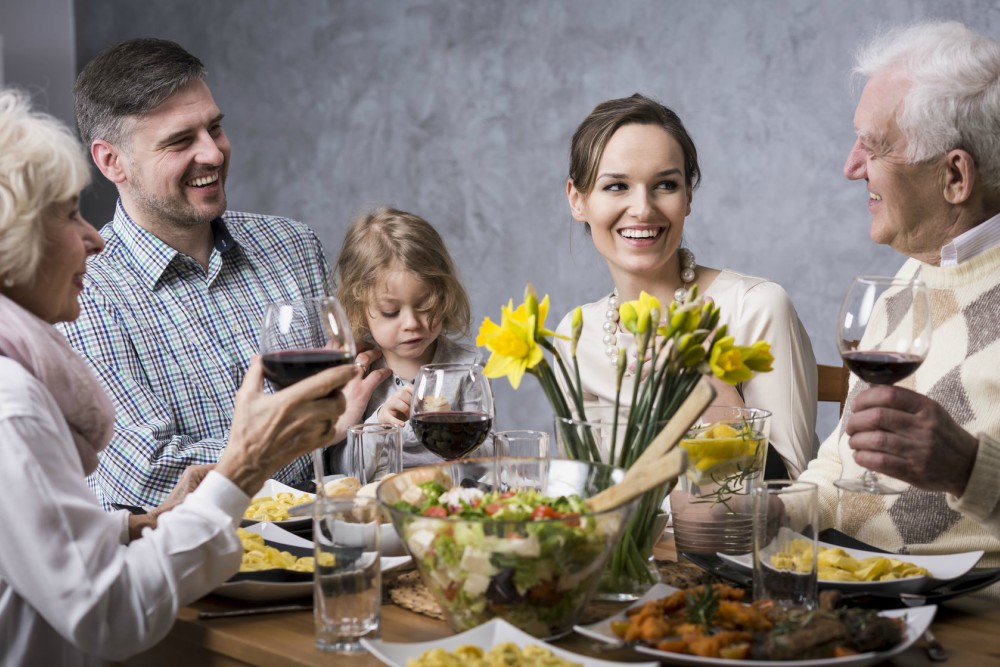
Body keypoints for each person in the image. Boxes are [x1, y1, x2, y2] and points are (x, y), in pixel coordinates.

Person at [0, 87, 355, 666]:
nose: (93, 238)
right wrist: (242, 466)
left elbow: (43, 539)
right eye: (68, 215)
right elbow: (106, 613)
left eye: (214, 128)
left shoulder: (21, 376)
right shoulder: (11, 404)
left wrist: (142, 526)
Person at [57, 38, 382, 509]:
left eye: (215, 128)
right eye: (180, 141)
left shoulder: (292, 245)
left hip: (317, 554)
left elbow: (345, 426)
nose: (212, 154)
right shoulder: (85, 292)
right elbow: (148, 476)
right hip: (191, 576)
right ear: (112, 162)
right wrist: (310, 434)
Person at [799, 21, 1000, 574]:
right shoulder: (907, 278)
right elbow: (838, 470)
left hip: (972, 626)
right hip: (860, 591)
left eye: (874, 144)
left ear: (955, 176)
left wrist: (968, 470)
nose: (850, 167)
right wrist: (763, 509)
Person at [556, 94, 819, 478]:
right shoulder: (577, 334)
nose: (643, 208)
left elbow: (791, 494)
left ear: (688, 197)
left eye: (665, 184)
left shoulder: (756, 308)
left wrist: (712, 392)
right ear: (578, 201)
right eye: (616, 187)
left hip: (738, 539)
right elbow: (577, 495)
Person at [330, 207, 489, 470]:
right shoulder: (359, 376)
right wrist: (378, 424)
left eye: (425, 305)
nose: (412, 323)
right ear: (359, 308)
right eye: (390, 312)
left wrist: (455, 427)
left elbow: (489, 459)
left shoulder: (466, 367)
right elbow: (342, 468)